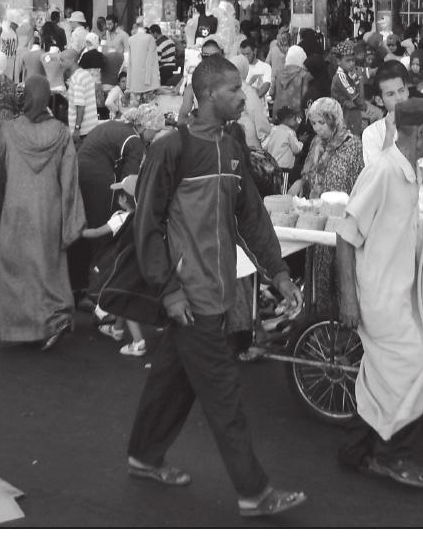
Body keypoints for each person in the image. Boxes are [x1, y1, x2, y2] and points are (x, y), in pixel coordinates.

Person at [125, 54, 306, 518]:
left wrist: (279, 273)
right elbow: (146, 225)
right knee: (224, 397)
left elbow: (251, 217)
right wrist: (169, 290)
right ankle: (255, 492)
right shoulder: (171, 148)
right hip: (192, 296)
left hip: (219, 291)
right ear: (207, 94)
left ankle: (143, 456)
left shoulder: (231, 146)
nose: (244, 96)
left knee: (172, 381)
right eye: (233, 89)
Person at [335, 97, 423, 490]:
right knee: (410, 363)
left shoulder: (408, 172)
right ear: (419, 132)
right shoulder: (383, 171)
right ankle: (390, 455)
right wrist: (348, 298)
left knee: (389, 373)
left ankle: (355, 451)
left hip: (398, 290)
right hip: (379, 294)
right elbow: (346, 236)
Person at [0, 75, 85, 350]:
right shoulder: (61, 132)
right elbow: (69, 180)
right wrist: (71, 220)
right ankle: (56, 319)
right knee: (48, 268)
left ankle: (23, 329)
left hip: (15, 209)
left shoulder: (9, 130)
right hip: (48, 210)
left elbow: (0, 175)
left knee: (16, 270)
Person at [75, 103, 167, 306]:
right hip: (98, 179)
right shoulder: (133, 140)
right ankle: (97, 292)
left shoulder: (115, 125)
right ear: (146, 126)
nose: (154, 137)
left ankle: (79, 288)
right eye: (155, 132)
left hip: (79, 173)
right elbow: (129, 184)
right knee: (105, 232)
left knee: (87, 228)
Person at [88, 174, 149, 356]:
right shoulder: (146, 217)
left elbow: (97, 232)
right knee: (124, 298)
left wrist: (78, 232)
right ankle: (117, 329)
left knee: (125, 302)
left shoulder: (121, 218)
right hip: (141, 265)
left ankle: (138, 342)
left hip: (124, 266)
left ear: (123, 199)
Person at [362, 62, 423, 196]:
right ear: (379, 100)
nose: (399, 98)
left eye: (401, 90)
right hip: (387, 204)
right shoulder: (371, 133)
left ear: (407, 90)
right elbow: (376, 175)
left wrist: (392, 175)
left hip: (421, 203)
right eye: (391, 94)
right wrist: (389, 134)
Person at [292, 97, 365, 200]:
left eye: (321, 122)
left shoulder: (353, 145)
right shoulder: (317, 142)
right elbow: (309, 174)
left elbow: (360, 184)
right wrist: (300, 182)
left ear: (334, 121)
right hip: (314, 206)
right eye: (313, 123)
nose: (317, 128)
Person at [262, 107, 304, 186]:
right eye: (294, 118)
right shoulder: (290, 132)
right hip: (285, 169)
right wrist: (301, 142)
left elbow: (264, 146)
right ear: (289, 118)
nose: (296, 121)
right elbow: (296, 149)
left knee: (275, 188)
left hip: (272, 167)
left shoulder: (273, 130)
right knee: (283, 189)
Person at [272, 44, 311, 120]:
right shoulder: (303, 74)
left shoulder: (278, 72)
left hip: (278, 112)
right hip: (295, 114)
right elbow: (305, 96)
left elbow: (272, 93)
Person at [127, 22, 161, 100]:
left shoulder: (130, 39)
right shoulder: (150, 38)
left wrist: (128, 83)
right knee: (149, 105)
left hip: (134, 81)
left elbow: (130, 63)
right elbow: (150, 60)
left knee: (136, 105)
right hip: (149, 82)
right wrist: (148, 79)